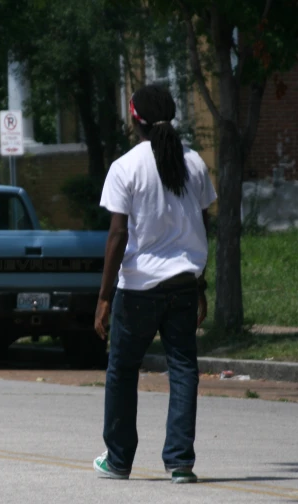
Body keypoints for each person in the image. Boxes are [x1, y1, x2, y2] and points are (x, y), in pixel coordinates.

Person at [92, 85, 216, 483]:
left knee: (123, 370)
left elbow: (117, 235)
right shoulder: (194, 163)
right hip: (182, 284)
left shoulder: (125, 167)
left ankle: (119, 460)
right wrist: (201, 285)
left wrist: (104, 297)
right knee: (183, 369)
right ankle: (180, 462)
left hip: (138, 288)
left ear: (134, 119)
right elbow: (202, 226)